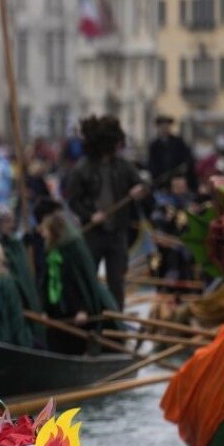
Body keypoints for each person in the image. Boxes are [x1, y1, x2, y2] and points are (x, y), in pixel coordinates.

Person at [65, 115, 149, 311]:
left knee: (117, 280)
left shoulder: (123, 166)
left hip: (117, 233)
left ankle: (116, 318)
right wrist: (89, 215)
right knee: (89, 277)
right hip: (93, 233)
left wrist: (140, 190)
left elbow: (143, 184)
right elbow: (73, 201)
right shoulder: (82, 168)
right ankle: (90, 314)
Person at [34, 198, 120, 354]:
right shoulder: (50, 250)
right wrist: (44, 309)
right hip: (58, 311)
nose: (42, 233)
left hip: (75, 310)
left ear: (54, 230)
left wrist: (83, 309)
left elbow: (79, 282)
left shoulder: (72, 247)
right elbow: (46, 282)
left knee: (77, 342)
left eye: (45, 230)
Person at [147, 115, 196, 192]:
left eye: (166, 126)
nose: (164, 128)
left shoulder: (178, 142)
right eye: (162, 126)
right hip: (162, 182)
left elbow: (187, 159)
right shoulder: (154, 145)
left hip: (177, 181)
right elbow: (152, 164)